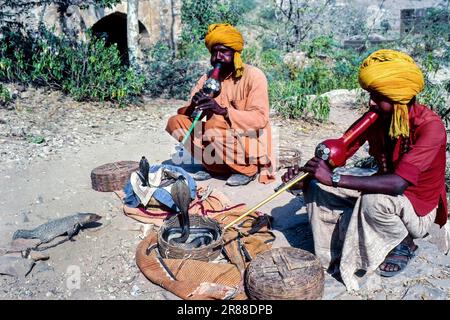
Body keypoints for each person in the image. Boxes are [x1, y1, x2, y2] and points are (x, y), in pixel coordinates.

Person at [282, 49, 448, 291]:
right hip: (387, 191)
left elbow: (398, 183)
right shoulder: (375, 117)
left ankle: (404, 242)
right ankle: (332, 253)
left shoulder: (430, 127)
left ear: (397, 97)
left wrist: (335, 178)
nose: (370, 102)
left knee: (374, 201)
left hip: (418, 207)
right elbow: (340, 152)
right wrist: (307, 173)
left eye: (377, 96)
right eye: (370, 94)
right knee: (317, 186)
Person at [166, 23, 275, 186]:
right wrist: (193, 105)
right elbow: (189, 116)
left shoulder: (254, 76)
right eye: (214, 52)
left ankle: (247, 169)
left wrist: (222, 111)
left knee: (213, 123)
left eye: (223, 52)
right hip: (217, 138)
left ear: (235, 53)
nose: (218, 57)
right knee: (176, 122)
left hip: (246, 138)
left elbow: (260, 119)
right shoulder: (208, 77)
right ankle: (216, 167)